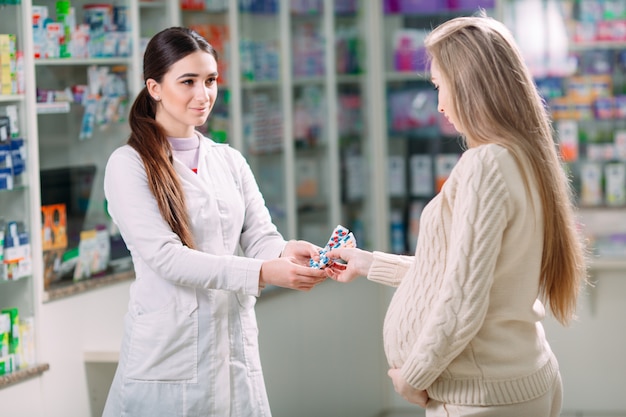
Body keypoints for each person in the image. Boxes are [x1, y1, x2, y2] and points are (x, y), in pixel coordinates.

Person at [325, 13, 587, 417]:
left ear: (469, 86)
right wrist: (369, 263)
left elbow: (463, 296)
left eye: (440, 87)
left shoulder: (485, 166)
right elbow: (461, 274)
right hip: (519, 381)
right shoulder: (524, 157)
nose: (440, 105)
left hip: (479, 396)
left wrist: (414, 377)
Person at [101, 26, 328, 417]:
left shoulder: (228, 159)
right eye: (187, 81)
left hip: (232, 349)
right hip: (168, 356)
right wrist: (263, 271)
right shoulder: (128, 165)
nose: (203, 94)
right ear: (154, 87)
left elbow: (260, 237)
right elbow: (168, 258)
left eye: (210, 80)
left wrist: (288, 253)